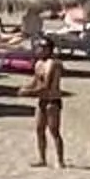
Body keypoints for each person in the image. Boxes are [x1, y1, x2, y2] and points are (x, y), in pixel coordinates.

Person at [29, 38, 67, 167]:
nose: (38, 50)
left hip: (52, 100)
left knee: (54, 131)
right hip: (42, 100)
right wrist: (26, 88)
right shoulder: (38, 64)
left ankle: (60, 160)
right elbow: (35, 81)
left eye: (41, 48)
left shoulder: (54, 64)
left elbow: (47, 85)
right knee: (39, 129)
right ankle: (42, 158)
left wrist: (29, 92)